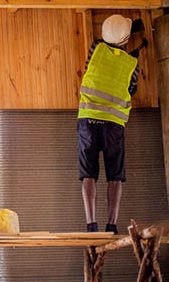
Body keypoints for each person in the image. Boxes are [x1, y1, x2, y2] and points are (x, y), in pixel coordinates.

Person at [77, 13, 146, 234]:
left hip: (88, 120)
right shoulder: (132, 64)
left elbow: (105, 50)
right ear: (126, 39)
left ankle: (91, 225)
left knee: (88, 174)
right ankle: (112, 226)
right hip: (114, 124)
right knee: (114, 176)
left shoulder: (95, 49)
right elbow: (131, 89)